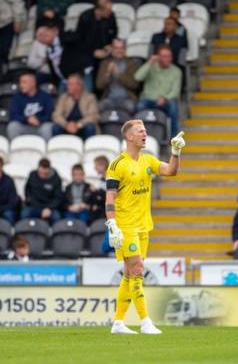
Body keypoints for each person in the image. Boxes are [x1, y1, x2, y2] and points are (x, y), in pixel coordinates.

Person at [105, 119, 185, 334]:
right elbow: (110, 196)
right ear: (129, 136)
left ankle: (118, 323)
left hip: (143, 226)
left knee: (130, 274)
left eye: (145, 131)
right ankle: (145, 322)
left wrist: (175, 152)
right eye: (140, 131)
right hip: (125, 226)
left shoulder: (148, 160)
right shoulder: (117, 165)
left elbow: (171, 171)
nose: (145, 134)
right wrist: (112, 223)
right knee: (138, 269)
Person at [134, 45, 182, 137]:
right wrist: (150, 62)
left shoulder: (177, 71)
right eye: (164, 56)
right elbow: (137, 77)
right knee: (139, 106)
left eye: (169, 56)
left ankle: (174, 138)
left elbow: (176, 91)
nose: (168, 59)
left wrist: (165, 98)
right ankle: (137, 135)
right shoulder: (151, 67)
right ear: (158, 57)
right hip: (148, 99)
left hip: (165, 101)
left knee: (173, 106)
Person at [95, 38, 139, 114]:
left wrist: (118, 74)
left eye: (121, 48)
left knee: (131, 107)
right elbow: (99, 85)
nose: (119, 51)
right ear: (112, 49)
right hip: (109, 98)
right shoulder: (105, 63)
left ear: (125, 49)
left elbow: (134, 85)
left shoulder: (132, 63)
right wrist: (108, 73)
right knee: (99, 107)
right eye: (116, 48)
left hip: (127, 99)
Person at [75, 0, 117, 73]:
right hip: (88, 54)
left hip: (106, 52)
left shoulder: (111, 16)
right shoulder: (85, 18)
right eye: (108, 11)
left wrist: (111, 45)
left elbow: (114, 33)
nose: (110, 12)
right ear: (98, 10)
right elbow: (79, 41)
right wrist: (93, 52)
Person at [8, 72, 55, 141]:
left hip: (40, 126)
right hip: (24, 126)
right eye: (20, 82)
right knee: (12, 126)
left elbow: (50, 114)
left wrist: (38, 119)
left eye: (24, 82)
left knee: (47, 127)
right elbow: (13, 115)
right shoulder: (17, 97)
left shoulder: (45, 96)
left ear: (33, 83)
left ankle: (47, 150)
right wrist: (27, 119)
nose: (21, 85)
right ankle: (16, 150)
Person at [52, 73, 99, 140]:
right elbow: (56, 115)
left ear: (78, 86)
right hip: (67, 127)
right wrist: (66, 125)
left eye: (70, 84)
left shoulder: (90, 97)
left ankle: (88, 149)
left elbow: (93, 116)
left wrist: (78, 125)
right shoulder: (64, 97)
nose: (67, 86)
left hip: (82, 127)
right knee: (56, 127)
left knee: (90, 127)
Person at [22, 158, 62, 224]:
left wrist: (49, 208)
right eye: (40, 173)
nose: (42, 175)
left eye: (45, 173)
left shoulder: (56, 179)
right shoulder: (32, 175)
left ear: (49, 169)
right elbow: (27, 191)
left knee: (56, 217)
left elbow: (58, 198)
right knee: (24, 214)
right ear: (38, 168)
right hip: (34, 205)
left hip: (50, 207)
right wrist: (34, 204)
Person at [0, 0, 25, 73]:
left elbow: (17, 1)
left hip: (6, 23)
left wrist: (18, 20)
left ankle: (5, 73)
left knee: (5, 50)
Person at [89, 155, 109, 223]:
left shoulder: (111, 178)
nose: (95, 168)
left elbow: (109, 196)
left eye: (96, 165)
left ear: (102, 165)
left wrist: (96, 191)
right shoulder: (101, 178)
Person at [0, 157, 19, 224]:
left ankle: (10, 233)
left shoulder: (9, 181)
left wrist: (1, 209)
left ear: (1, 167)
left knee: (9, 215)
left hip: (5, 209)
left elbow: (13, 202)